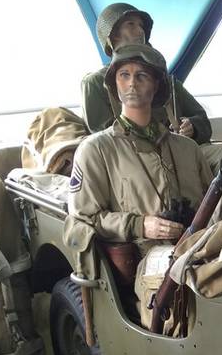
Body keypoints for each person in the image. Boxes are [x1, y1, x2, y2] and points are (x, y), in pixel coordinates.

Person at [65, 43, 212, 264]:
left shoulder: (187, 148)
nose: (132, 83)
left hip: (199, 249)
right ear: (115, 84)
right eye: (124, 75)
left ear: (156, 86)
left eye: (142, 75)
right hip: (145, 259)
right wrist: (139, 225)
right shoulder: (96, 150)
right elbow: (84, 219)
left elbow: (213, 205)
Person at [80, 3, 212, 147]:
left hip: (181, 153)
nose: (140, 31)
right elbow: (104, 140)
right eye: (131, 24)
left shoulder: (165, 80)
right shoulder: (95, 83)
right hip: (133, 162)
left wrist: (192, 127)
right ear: (112, 35)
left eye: (141, 26)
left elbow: (203, 121)